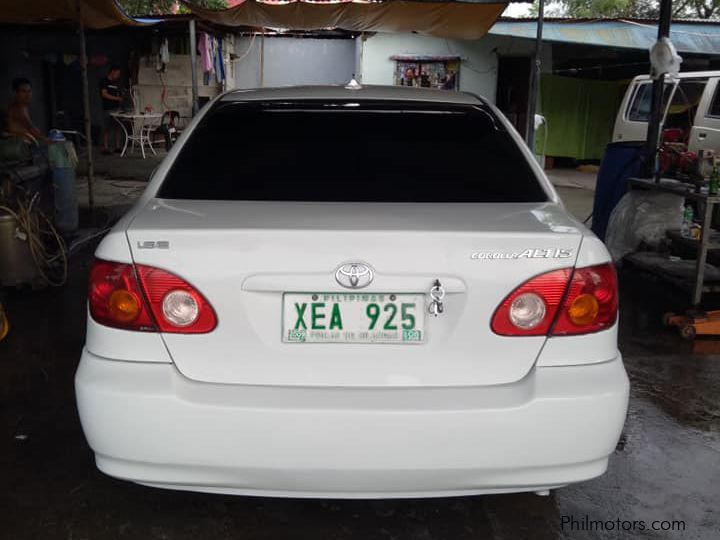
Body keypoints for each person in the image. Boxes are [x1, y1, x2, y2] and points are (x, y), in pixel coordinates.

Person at [6, 78, 46, 144]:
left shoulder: (24, 107)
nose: (27, 95)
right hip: (17, 146)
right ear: (16, 93)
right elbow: (31, 128)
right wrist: (47, 140)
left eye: (29, 91)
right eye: (23, 91)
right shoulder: (16, 108)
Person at [99, 65, 123, 154]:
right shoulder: (104, 81)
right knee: (107, 128)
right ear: (112, 71)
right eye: (117, 73)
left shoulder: (116, 83)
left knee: (117, 127)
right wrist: (117, 99)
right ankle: (105, 148)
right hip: (108, 108)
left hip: (117, 108)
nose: (118, 76)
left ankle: (117, 146)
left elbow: (119, 94)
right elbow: (104, 94)